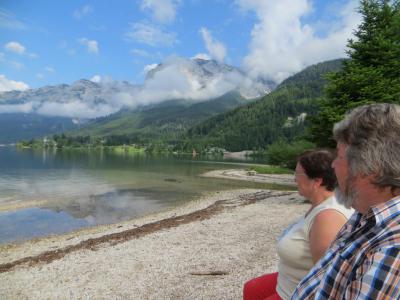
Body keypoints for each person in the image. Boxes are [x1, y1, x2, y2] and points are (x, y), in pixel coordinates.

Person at [292, 103, 400, 299]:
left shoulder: (392, 250)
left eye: (340, 156)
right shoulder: (365, 213)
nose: (333, 165)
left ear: (370, 167)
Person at [243, 150, 354, 300]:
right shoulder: (319, 204)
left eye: (297, 174)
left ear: (317, 181)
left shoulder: (328, 218)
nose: (294, 179)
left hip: (297, 293)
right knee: (252, 288)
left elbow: (327, 279)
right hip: (289, 280)